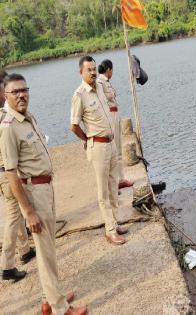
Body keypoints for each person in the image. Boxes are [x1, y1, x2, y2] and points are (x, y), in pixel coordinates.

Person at [0, 74, 87, 315]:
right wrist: (28, 211)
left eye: (24, 90)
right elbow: (11, 173)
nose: (21, 95)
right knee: (45, 251)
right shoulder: (8, 127)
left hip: (45, 187)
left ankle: (51, 297)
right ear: (6, 96)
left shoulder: (29, 118)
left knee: (48, 247)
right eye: (15, 92)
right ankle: (60, 308)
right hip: (33, 192)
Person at [70, 56, 128, 245]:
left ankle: (115, 222)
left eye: (94, 69)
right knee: (103, 191)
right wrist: (87, 138)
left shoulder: (101, 88)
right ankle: (109, 230)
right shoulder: (79, 95)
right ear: (81, 72)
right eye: (89, 70)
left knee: (113, 186)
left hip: (110, 144)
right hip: (98, 147)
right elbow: (74, 125)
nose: (93, 72)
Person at [0, 71, 35, 282]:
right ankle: (7, 265)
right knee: (14, 216)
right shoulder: (5, 119)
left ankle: (24, 250)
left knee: (16, 212)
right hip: (6, 174)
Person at [97, 59, 134, 189]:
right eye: (112, 70)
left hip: (114, 114)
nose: (112, 72)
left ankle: (119, 179)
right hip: (110, 116)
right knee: (115, 148)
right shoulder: (100, 82)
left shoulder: (104, 82)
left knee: (117, 148)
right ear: (108, 69)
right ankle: (119, 180)